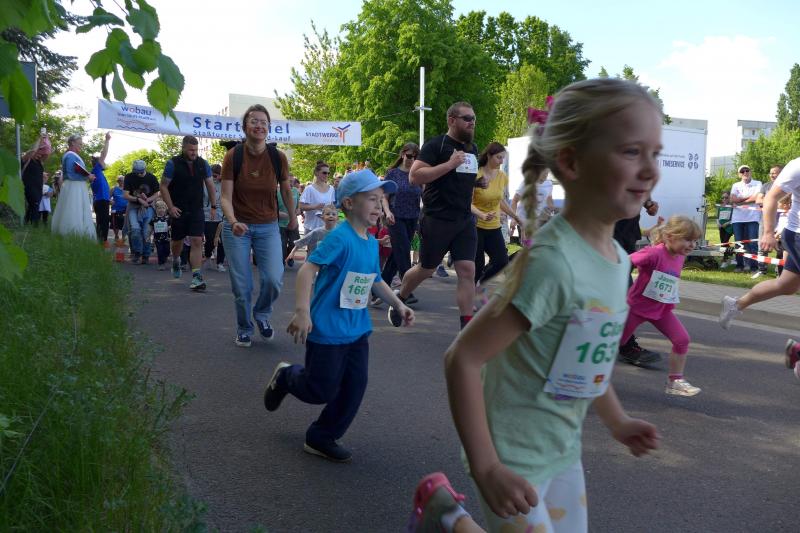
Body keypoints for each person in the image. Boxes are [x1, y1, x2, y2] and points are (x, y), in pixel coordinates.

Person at [410, 78, 662, 533]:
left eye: (655, 154)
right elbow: (463, 358)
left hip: (562, 452)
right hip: (511, 455)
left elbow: (588, 358)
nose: (650, 171)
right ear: (571, 161)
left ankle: (444, 515)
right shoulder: (552, 263)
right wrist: (487, 467)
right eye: (631, 152)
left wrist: (618, 421)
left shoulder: (619, 259)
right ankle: (447, 514)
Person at [262, 170, 414, 463]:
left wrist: (398, 303)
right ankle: (286, 377)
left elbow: (375, 279)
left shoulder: (369, 242)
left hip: (357, 329)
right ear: (349, 203)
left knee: (354, 386)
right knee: (320, 389)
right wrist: (302, 311)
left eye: (381, 200)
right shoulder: (339, 238)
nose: (378, 205)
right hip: (328, 329)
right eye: (372, 199)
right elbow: (308, 270)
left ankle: (322, 436)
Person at [388, 102, 482, 330]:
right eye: (467, 118)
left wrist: (478, 183)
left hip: (463, 219)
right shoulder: (435, 145)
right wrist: (449, 164)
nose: (472, 123)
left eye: (473, 119)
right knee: (427, 269)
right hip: (437, 219)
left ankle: (466, 328)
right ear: (452, 120)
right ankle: (400, 297)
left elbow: (460, 179)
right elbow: (414, 177)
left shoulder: (472, 149)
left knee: (467, 270)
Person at [220, 104, 297, 347]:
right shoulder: (234, 156)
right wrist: (233, 221)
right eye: (254, 121)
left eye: (264, 122)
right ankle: (244, 327)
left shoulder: (277, 157)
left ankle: (262, 314)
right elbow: (225, 197)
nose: (259, 126)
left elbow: (286, 189)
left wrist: (292, 216)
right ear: (245, 127)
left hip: (268, 226)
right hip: (237, 228)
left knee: (274, 279)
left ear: (268, 128)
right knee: (242, 285)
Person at [620, 216, 703, 396]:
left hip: (661, 309)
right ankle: (586, 376)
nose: (692, 245)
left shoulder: (680, 256)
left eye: (695, 241)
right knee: (613, 345)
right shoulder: (653, 253)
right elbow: (624, 262)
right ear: (670, 236)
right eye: (687, 240)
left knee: (682, 340)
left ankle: (675, 382)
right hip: (636, 308)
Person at [720, 157, 800, 333]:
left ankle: (736, 304)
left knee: (787, 285)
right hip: (797, 235)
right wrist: (768, 232)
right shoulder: (797, 166)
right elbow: (771, 197)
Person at [160, 135, 216, 289]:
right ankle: (176, 259)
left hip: (196, 209)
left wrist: (213, 206)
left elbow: (210, 185)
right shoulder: (172, 164)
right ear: (183, 148)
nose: (194, 153)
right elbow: (163, 186)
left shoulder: (203, 164)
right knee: (177, 241)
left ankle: (196, 277)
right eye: (191, 150)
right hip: (178, 209)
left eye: (196, 150)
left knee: (197, 240)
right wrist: (170, 207)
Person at [613, 198, 662, 365]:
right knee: (625, 297)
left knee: (620, 297)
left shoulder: (638, 185)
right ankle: (626, 346)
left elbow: (640, 192)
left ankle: (620, 343)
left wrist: (648, 204)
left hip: (626, 237)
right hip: (607, 237)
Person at [471, 142, 522, 287]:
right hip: (476, 226)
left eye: (503, 158)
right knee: (477, 264)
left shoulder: (502, 176)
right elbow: (467, 203)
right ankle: (472, 289)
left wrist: (515, 217)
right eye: (499, 157)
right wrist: (481, 214)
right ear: (489, 155)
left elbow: (500, 201)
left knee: (501, 261)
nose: (501, 161)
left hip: (494, 227)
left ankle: (480, 282)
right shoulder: (476, 175)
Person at [379, 143, 423, 302]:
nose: (412, 159)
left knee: (397, 254)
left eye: (415, 157)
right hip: (395, 217)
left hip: (412, 218)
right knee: (403, 250)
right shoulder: (393, 173)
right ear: (403, 154)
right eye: (410, 156)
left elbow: (425, 195)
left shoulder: (417, 174)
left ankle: (379, 290)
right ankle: (407, 291)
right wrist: (387, 212)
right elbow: (384, 196)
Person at [51, 134, 96, 239]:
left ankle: (78, 234)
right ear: (72, 143)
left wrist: (87, 175)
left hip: (76, 186)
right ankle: (71, 234)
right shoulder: (70, 155)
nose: (81, 146)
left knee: (77, 208)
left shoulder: (71, 155)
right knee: (73, 208)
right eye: (79, 144)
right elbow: (71, 174)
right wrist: (87, 176)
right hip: (74, 187)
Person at [123, 160, 160, 263]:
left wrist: (147, 200)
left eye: (140, 172)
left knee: (146, 231)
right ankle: (137, 252)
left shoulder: (151, 178)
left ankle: (146, 255)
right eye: (136, 172)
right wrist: (138, 199)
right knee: (135, 230)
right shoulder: (129, 177)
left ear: (144, 169)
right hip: (133, 207)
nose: (138, 174)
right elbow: (126, 195)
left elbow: (157, 193)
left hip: (148, 207)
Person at [729, 165, 762, 274]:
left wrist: (739, 201)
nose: (745, 172)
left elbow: (756, 198)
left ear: (750, 172)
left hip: (753, 217)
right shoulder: (735, 185)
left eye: (747, 170)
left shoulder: (758, 183)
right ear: (739, 174)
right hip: (737, 218)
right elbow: (732, 199)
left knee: (753, 243)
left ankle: (754, 267)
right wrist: (748, 198)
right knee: (739, 243)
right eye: (742, 171)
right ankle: (740, 265)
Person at [753, 164, 784, 279]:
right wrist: (774, 201)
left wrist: (768, 201)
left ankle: (779, 272)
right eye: (770, 173)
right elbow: (758, 200)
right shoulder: (766, 186)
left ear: (781, 173)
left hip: (782, 221)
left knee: (781, 248)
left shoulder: (786, 186)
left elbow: (786, 203)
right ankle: (762, 270)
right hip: (765, 221)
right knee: (762, 246)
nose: (772, 175)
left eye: (774, 173)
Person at [299, 161, 336, 252]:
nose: (327, 175)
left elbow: (332, 206)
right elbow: (301, 206)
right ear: (316, 173)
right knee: (312, 254)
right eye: (324, 173)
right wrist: (315, 206)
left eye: (328, 173)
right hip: (312, 227)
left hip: (326, 227)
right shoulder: (309, 189)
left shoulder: (331, 189)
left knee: (326, 254)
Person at [511, 170, 554, 240]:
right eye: (544, 173)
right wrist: (513, 219)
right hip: (523, 219)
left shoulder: (549, 184)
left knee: (537, 243)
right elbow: (514, 200)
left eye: (547, 173)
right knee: (528, 243)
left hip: (537, 219)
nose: (545, 176)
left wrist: (551, 209)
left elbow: (549, 197)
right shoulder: (526, 183)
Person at [21, 131, 51, 225]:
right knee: (35, 203)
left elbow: (47, 153)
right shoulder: (27, 158)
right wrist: (40, 139)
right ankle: (35, 225)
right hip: (29, 186)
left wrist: (47, 141)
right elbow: (33, 151)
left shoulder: (39, 162)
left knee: (33, 205)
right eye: (39, 151)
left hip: (38, 187)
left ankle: (26, 223)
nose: (40, 155)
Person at [90, 132, 112, 245]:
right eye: (102, 161)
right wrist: (107, 140)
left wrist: (109, 199)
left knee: (102, 220)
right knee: (103, 221)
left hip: (102, 200)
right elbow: (104, 154)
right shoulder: (96, 170)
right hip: (101, 200)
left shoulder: (99, 173)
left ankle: (101, 241)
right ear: (99, 162)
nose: (104, 162)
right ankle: (103, 241)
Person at [203, 163, 226, 272]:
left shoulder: (224, 184)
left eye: (217, 175)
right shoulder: (204, 183)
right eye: (212, 175)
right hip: (208, 216)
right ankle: (208, 257)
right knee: (210, 239)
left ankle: (220, 263)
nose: (214, 178)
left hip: (221, 216)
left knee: (222, 240)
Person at [279, 174, 301, 267]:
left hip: (293, 222)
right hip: (281, 224)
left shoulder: (295, 191)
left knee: (294, 242)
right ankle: (282, 261)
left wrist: (298, 210)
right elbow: (273, 209)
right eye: (289, 181)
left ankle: (290, 256)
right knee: (282, 244)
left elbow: (298, 205)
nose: (291, 183)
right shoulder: (277, 191)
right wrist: (280, 214)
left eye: (293, 181)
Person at [717, 190, 735, 268]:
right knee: (723, 243)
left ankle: (724, 260)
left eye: (726, 197)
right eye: (723, 198)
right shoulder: (720, 206)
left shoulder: (732, 207)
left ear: (729, 198)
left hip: (729, 227)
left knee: (724, 242)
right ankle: (731, 253)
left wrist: (727, 223)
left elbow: (734, 217)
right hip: (721, 227)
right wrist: (718, 224)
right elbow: (717, 217)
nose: (724, 199)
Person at [151, 200, 171, 270]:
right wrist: (148, 235)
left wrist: (170, 229)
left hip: (166, 238)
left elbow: (171, 227)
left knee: (167, 251)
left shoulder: (167, 218)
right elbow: (150, 228)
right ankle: (161, 264)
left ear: (165, 209)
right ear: (156, 209)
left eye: (163, 208)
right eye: (159, 208)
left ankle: (165, 258)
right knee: (160, 251)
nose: (161, 210)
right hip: (157, 239)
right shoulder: (154, 219)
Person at [110, 176, 128, 242]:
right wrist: (110, 201)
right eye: (120, 180)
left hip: (125, 209)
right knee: (115, 224)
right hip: (116, 209)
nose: (122, 182)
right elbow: (107, 197)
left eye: (123, 180)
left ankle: (123, 237)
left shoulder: (127, 189)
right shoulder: (113, 189)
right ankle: (116, 236)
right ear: (118, 181)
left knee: (125, 224)